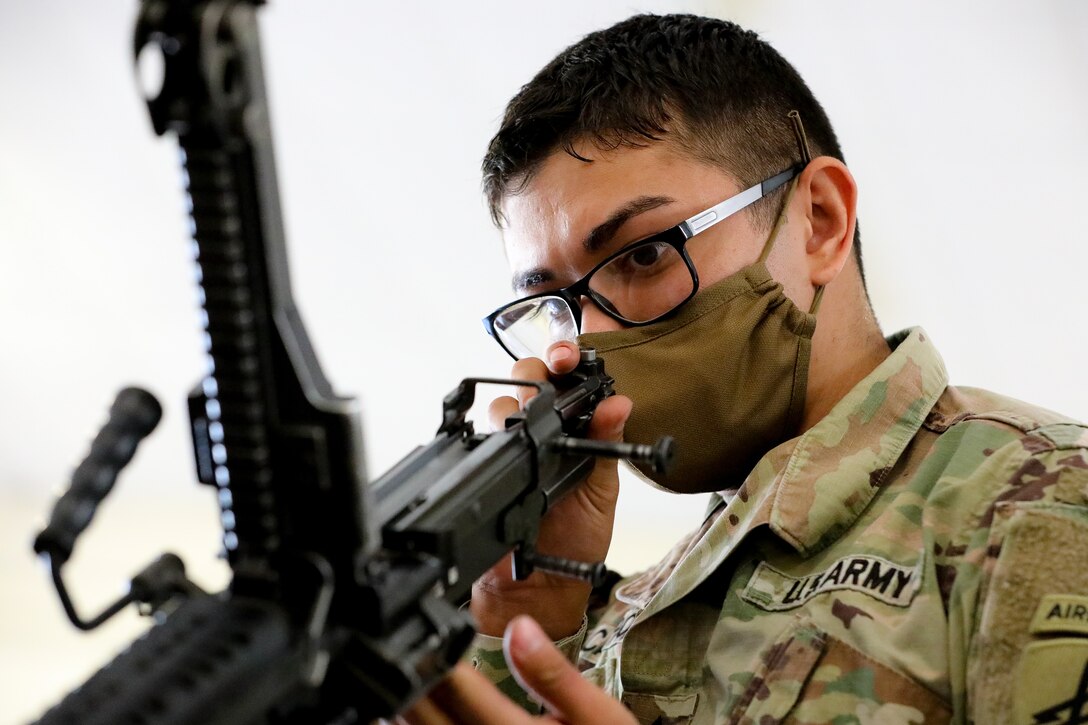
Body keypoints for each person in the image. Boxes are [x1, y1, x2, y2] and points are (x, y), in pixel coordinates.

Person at [404, 13, 1088, 725]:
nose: (588, 342)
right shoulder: (628, 606)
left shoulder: (1040, 504)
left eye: (644, 255)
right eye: (554, 303)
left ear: (819, 220)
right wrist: (527, 614)